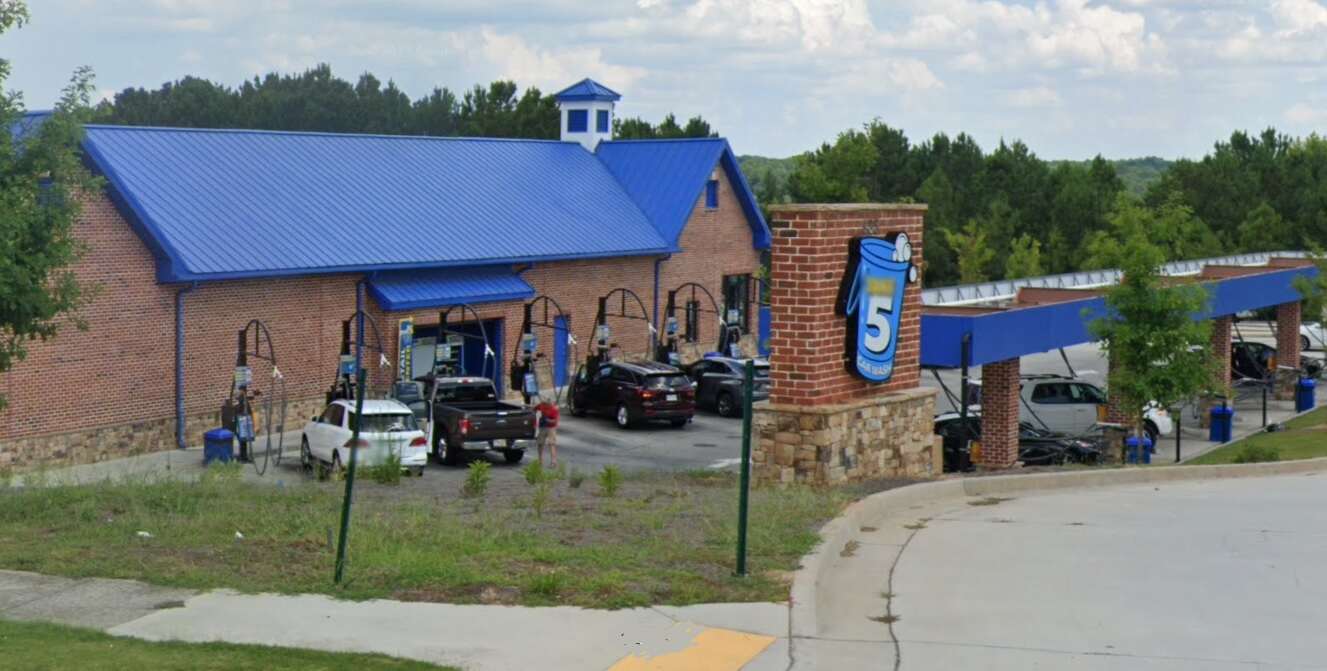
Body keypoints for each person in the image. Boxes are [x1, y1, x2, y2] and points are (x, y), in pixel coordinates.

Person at [534, 397, 560, 467]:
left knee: (551, 444)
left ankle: (553, 462)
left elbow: (555, 421)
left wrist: (548, 420)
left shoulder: (554, 409)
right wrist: (536, 419)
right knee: (540, 443)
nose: (544, 406)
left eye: (546, 405)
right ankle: (540, 461)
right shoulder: (541, 405)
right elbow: (534, 409)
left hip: (551, 427)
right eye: (543, 404)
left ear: (549, 404)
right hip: (542, 426)